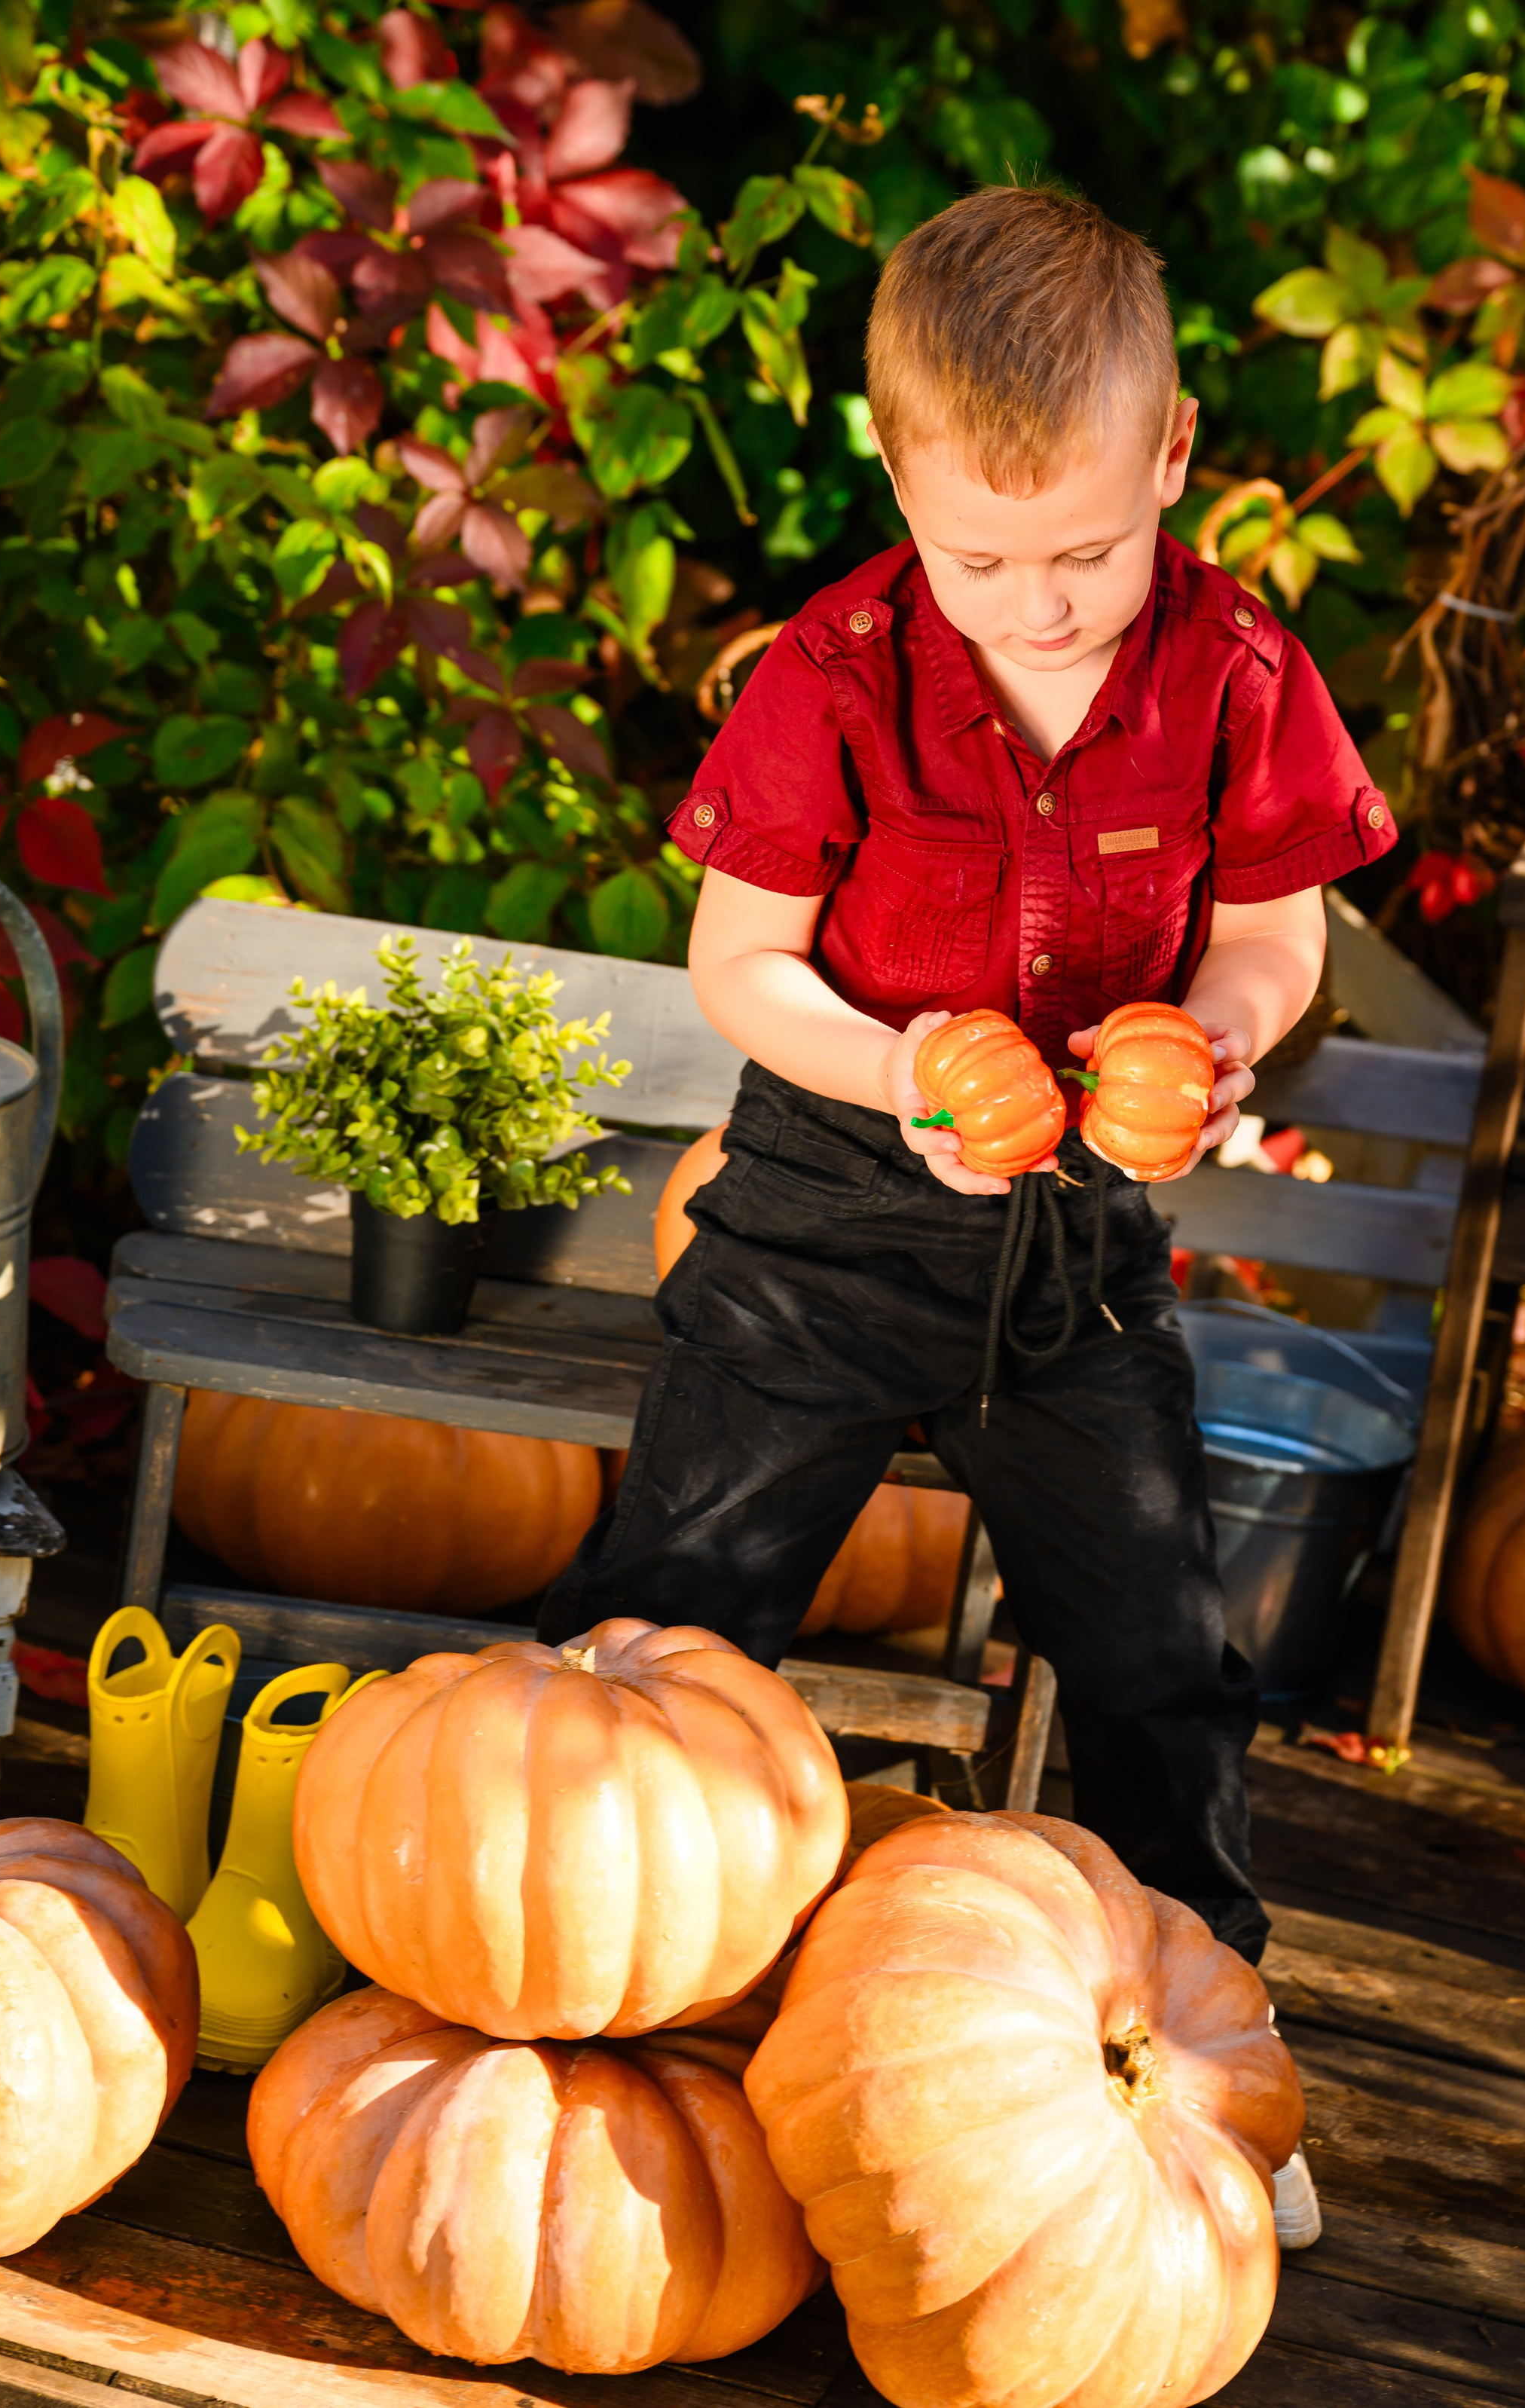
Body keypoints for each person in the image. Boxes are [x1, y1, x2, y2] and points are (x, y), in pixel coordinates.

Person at [541, 183, 1396, 1976]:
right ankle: (583, 1960)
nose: (1040, 602)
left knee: (1161, 1641)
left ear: (1169, 454)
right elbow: (740, 965)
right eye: (979, 560)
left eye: (1082, 552)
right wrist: (898, 1062)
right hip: (818, 1220)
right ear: (896, 477)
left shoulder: (1234, 674)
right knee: (671, 1608)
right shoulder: (834, 676)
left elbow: (1274, 929)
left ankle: (1195, 1998)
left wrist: (1224, 1025)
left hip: (1075, 1249)